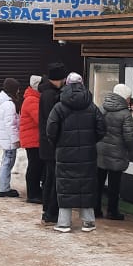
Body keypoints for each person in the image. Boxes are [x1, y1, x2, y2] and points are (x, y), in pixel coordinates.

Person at [46, 72, 106, 233]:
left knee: (65, 186)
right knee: (86, 185)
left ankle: (64, 223)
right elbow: (101, 129)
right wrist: (90, 141)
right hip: (87, 154)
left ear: (67, 84)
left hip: (65, 153)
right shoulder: (92, 107)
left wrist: (58, 143)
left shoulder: (59, 107)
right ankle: (89, 222)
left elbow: (50, 129)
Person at [95, 83, 133, 221]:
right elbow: (129, 136)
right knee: (114, 184)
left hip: (100, 151)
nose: (129, 100)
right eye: (129, 97)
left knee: (98, 183)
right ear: (123, 97)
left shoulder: (101, 108)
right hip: (117, 153)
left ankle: (95, 210)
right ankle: (112, 211)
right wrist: (131, 149)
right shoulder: (125, 114)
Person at [37, 63, 66, 224]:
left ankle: (47, 209)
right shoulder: (51, 96)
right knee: (54, 179)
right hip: (51, 144)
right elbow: (53, 122)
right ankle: (50, 212)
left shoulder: (46, 93)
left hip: (46, 144)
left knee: (50, 177)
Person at [0, 78, 22, 197]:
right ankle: (4, 188)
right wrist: (15, 140)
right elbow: (10, 124)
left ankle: (3, 186)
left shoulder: (4, 103)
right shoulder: (9, 105)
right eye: (17, 89)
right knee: (8, 162)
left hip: (6, 139)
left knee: (6, 162)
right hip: (9, 140)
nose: (18, 91)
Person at [19, 75, 44, 204]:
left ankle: (35, 191)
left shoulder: (33, 98)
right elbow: (39, 118)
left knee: (36, 165)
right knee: (34, 166)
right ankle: (33, 193)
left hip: (34, 138)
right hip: (32, 139)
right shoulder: (32, 100)